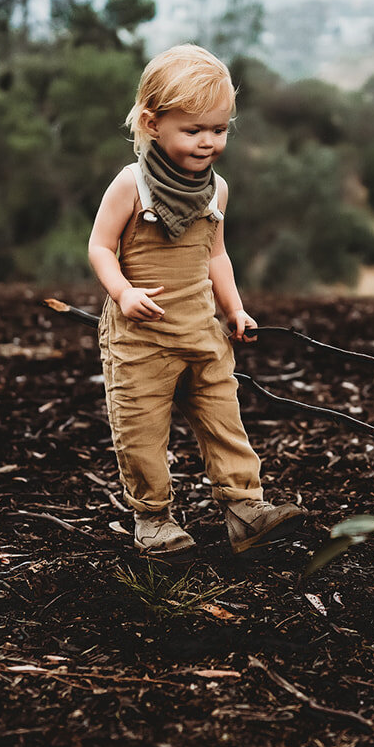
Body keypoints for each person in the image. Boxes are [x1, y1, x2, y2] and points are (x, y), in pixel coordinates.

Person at [87, 44, 305, 558]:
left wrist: (234, 308)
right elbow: (99, 246)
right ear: (151, 122)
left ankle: (244, 510)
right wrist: (123, 292)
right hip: (141, 340)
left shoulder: (216, 190)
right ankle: (154, 519)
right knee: (142, 431)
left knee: (224, 420)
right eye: (194, 130)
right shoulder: (131, 184)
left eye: (220, 129)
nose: (209, 142)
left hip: (201, 331)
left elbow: (217, 256)